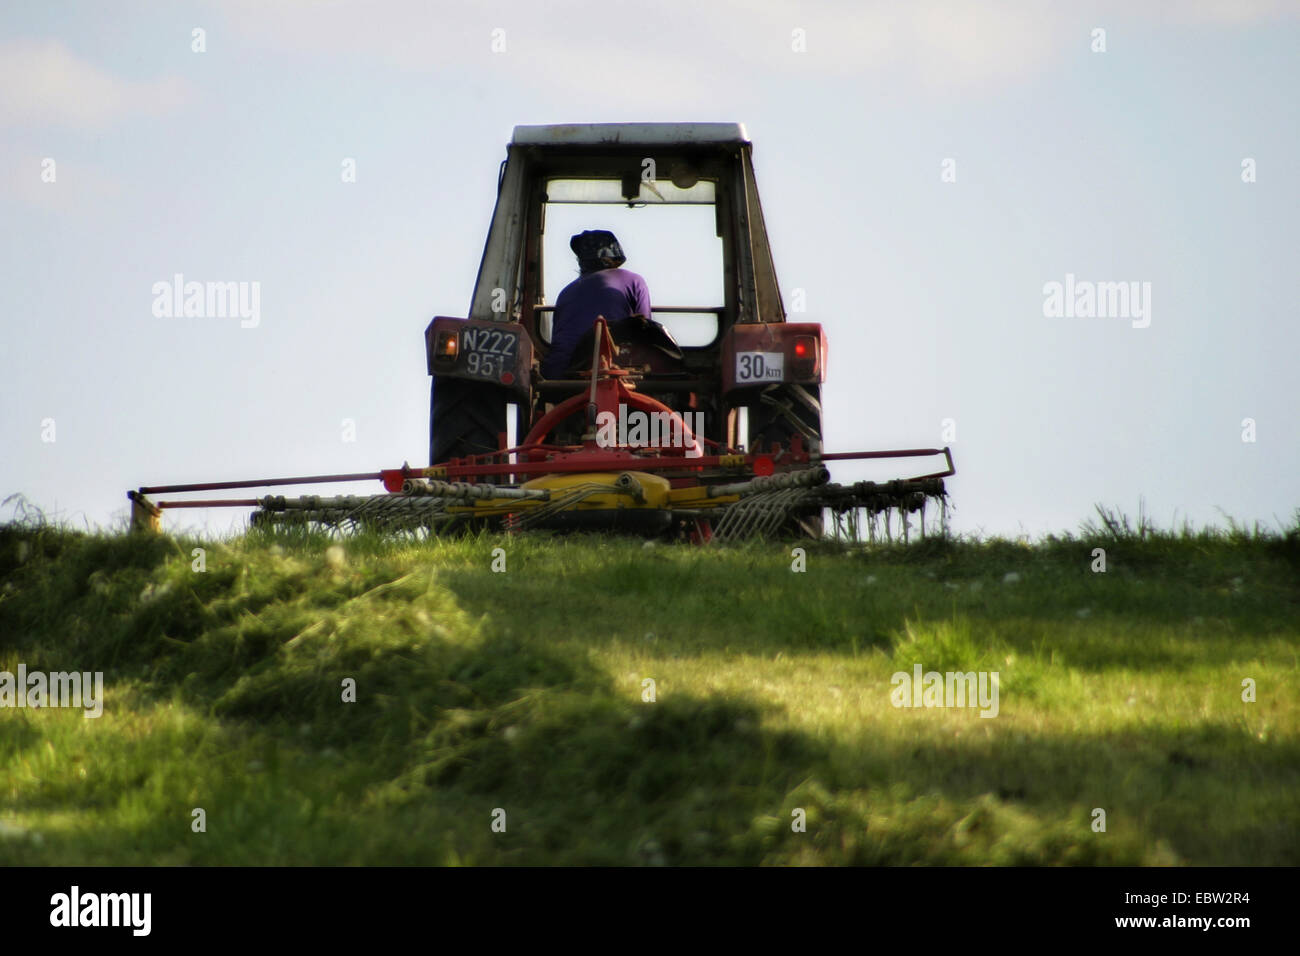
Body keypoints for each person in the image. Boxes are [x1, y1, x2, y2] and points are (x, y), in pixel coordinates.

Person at [541, 230, 652, 378]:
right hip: (615, 375)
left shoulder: (565, 292)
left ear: (581, 260)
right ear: (616, 256)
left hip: (562, 377)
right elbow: (646, 329)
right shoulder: (634, 281)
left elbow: (559, 339)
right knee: (627, 398)